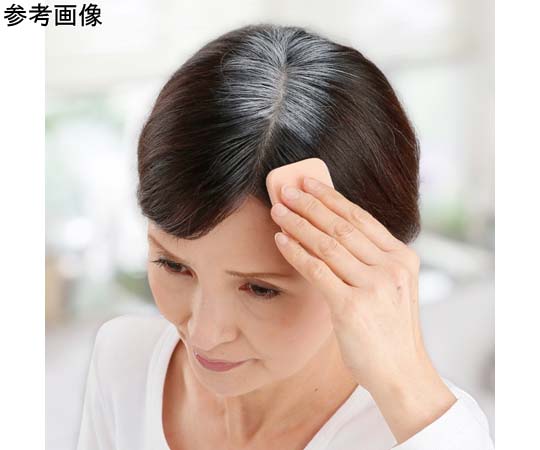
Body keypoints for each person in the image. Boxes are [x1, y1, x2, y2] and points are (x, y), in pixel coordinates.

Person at [77, 23, 495, 449]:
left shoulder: (420, 431)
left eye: (261, 289)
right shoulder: (124, 363)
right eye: (173, 265)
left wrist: (409, 388)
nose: (204, 334)